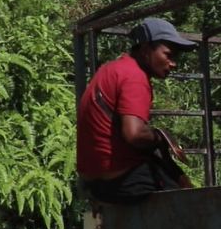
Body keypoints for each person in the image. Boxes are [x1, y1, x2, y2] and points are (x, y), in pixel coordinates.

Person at [77, 18, 196, 203]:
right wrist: (161, 137)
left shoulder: (112, 68)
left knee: (164, 163)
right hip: (121, 180)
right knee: (185, 201)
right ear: (146, 49)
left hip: (94, 181)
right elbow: (133, 134)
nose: (173, 63)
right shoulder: (135, 77)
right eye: (168, 55)